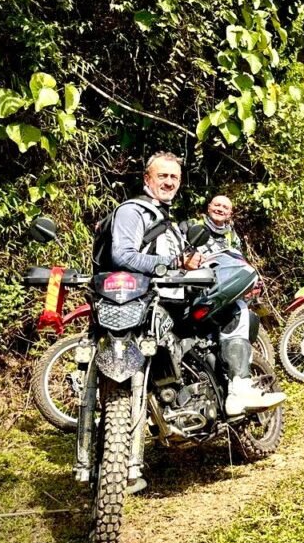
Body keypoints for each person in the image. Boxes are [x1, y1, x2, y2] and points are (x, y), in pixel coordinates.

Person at [110, 152, 284, 421]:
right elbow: (124, 255)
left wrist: (193, 264)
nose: (169, 182)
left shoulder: (170, 222)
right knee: (235, 310)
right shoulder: (134, 211)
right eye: (163, 176)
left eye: (174, 177)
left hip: (176, 301)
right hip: (147, 303)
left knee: (236, 309)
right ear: (147, 178)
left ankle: (235, 387)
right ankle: (238, 388)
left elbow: (180, 263)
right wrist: (175, 261)